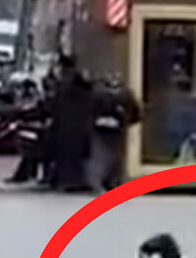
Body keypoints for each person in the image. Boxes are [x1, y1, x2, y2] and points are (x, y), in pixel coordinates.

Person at [47, 55, 95, 191]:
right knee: (73, 156)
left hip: (68, 125)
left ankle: (69, 181)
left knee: (67, 155)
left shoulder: (66, 84)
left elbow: (56, 103)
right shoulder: (79, 85)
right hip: (76, 124)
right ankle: (72, 181)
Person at [90, 73, 142, 191]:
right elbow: (136, 112)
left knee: (106, 155)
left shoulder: (99, 94)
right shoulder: (125, 94)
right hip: (116, 129)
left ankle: (107, 180)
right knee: (115, 155)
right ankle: (113, 180)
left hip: (106, 129)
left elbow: (90, 111)